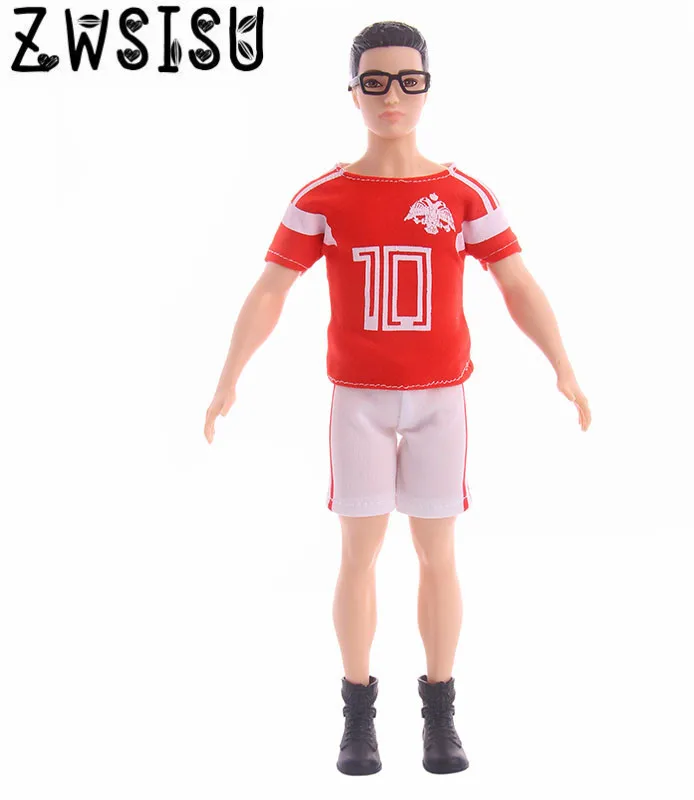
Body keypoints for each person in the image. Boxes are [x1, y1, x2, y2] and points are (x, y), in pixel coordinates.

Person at [204, 19, 591, 776]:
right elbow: (271, 289)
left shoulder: (462, 193)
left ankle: (440, 711)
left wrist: (563, 365)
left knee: (438, 554)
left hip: (442, 398)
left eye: (408, 81)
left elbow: (515, 281)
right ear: (352, 92)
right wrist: (229, 376)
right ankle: (357, 714)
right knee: (359, 555)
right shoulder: (324, 197)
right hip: (359, 401)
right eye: (375, 82)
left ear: (427, 90)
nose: (392, 97)